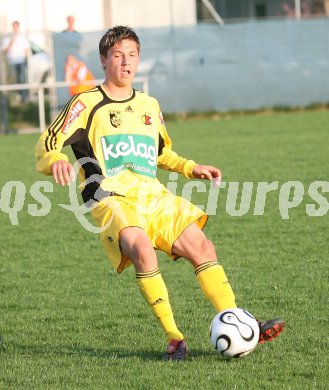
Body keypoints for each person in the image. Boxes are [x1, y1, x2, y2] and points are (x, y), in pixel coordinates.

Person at [35, 25, 284, 360]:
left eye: (132, 55)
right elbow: (48, 141)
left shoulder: (149, 105)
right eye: (118, 56)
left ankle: (238, 320)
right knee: (141, 248)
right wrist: (55, 161)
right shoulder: (86, 104)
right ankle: (174, 337)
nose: (126, 63)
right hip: (110, 197)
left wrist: (190, 167)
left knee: (201, 245)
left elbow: (161, 153)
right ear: (103, 61)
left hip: (153, 195)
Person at [1, 20, 30, 102]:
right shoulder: (8, 38)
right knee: (13, 79)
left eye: (16, 27)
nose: (15, 28)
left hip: (21, 61)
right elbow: (5, 50)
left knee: (22, 79)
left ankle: (24, 97)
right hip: (12, 62)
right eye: (14, 27)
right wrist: (11, 41)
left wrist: (25, 59)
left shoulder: (22, 37)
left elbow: (26, 49)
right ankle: (13, 98)